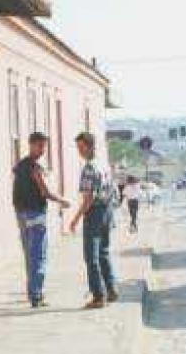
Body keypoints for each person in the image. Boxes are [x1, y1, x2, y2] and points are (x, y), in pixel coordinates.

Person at [13, 132, 70, 308]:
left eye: (44, 146)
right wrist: (62, 201)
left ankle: (33, 292)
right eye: (40, 146)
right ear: (31, 145)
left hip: (21, 213)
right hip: (35, 214)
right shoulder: (34, 168)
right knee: (38, 255)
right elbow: (44, 192)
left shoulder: (20, 165)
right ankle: (36, 295)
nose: (43, 150)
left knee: (29, 255)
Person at [67, 132, 118, 309]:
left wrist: (75, 219)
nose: (79, 151)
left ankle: (98, 295)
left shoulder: (89, 168)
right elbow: (113, 190)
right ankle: (111, 288)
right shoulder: (104, 165)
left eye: (81, 147)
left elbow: (88, 199)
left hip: (95, 212)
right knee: (104, 252)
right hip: (107, 210)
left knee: (91, 256)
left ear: (89, 146)